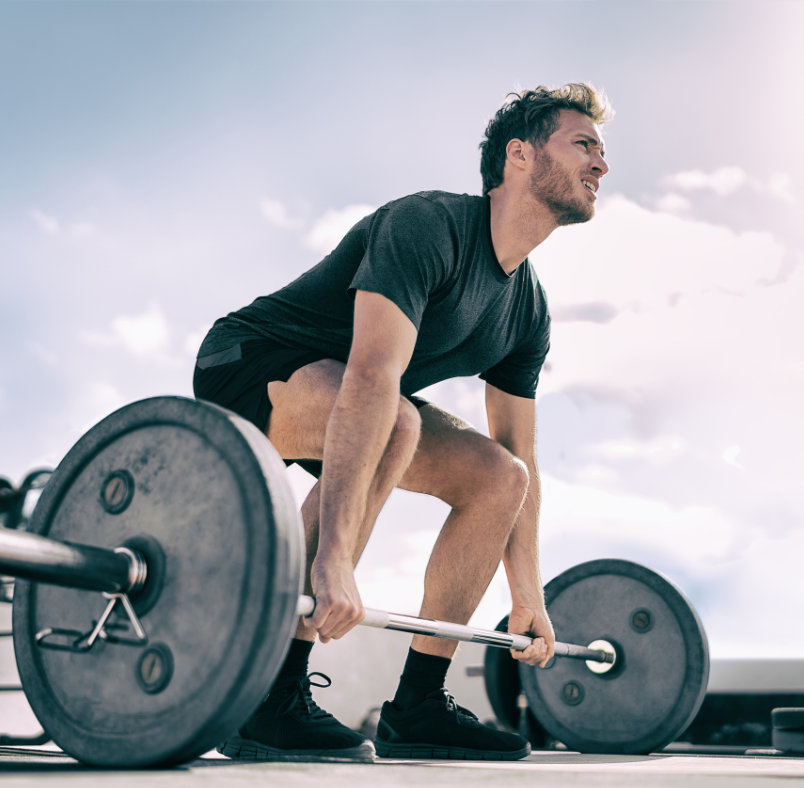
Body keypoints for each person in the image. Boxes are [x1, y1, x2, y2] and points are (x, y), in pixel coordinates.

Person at [193, 83, 611, 762]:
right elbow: (371, 377)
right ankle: (269, 699)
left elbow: (519, 453)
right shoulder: (428, 225)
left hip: (361, 400)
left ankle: (417, 705)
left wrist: (526, 594)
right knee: (396, 424)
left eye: (602, 151)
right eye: (583, 144)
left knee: (498, 477)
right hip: (246, 364)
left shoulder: (526, 310)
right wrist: (332, 559)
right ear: (520, 156)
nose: (601, 164)